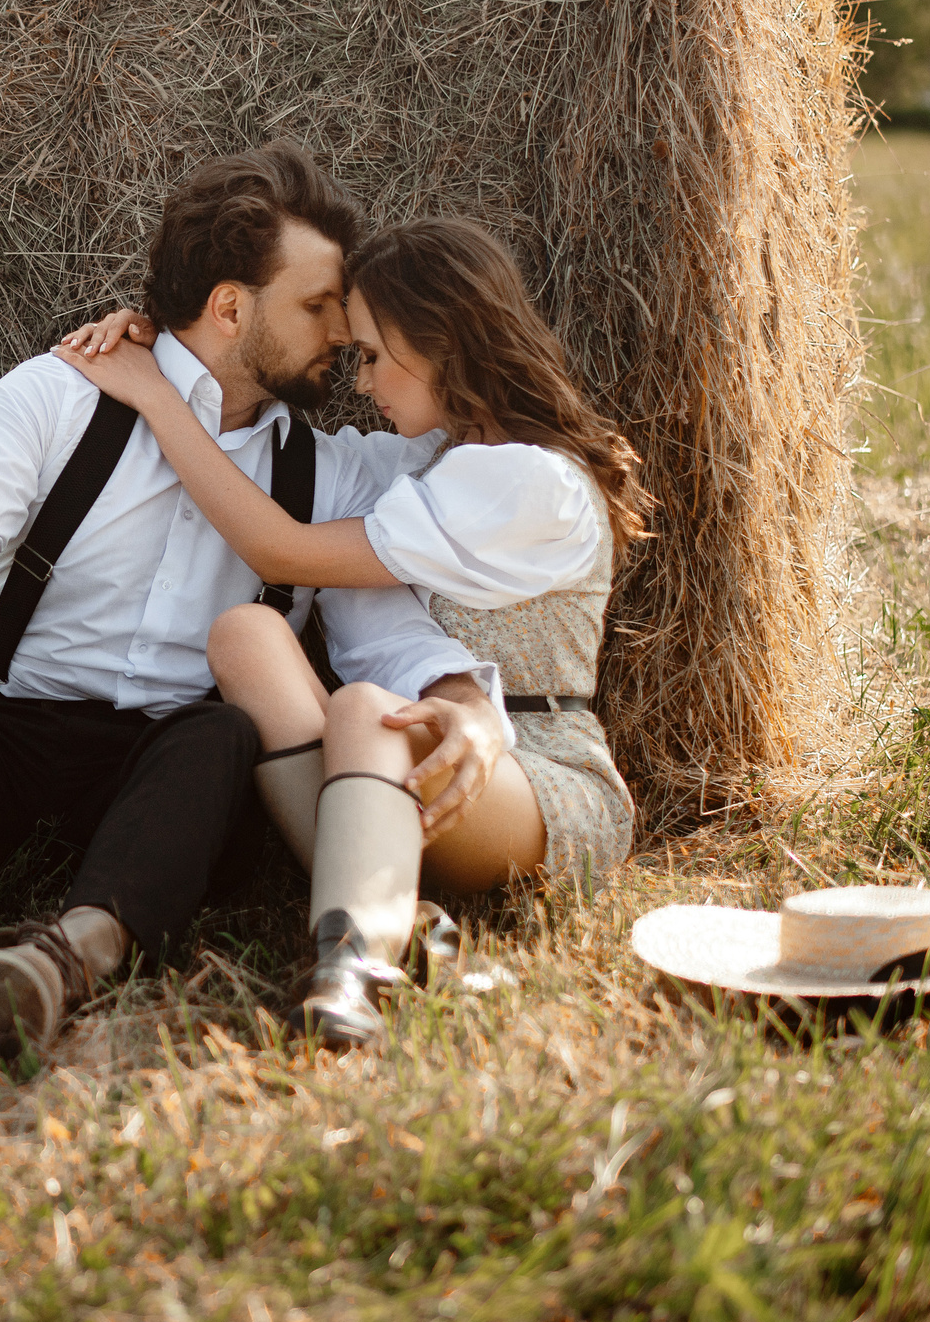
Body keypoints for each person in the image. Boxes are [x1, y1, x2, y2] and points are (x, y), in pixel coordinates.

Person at [0, 141, 513, 1052]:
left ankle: (67, 955)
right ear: (230, 307)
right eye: (316, 306)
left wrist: (466, 703)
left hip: (161, 785)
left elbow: (415, 571)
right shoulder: (61, 394)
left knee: (219, 736)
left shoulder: (328, 473)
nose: (343, 335)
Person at [56, 215, 650, 1047]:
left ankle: (353, 964)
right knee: (246, 634)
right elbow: (321, 507)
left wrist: (156, 398)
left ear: (439, 342)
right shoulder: (424, 467)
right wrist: (175, 348)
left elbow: (277, 546)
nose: (361, 382)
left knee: (366, 708)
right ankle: (399, 912)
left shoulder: (528, 480)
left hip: (541, 775)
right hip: (411, 759)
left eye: (372, 355)